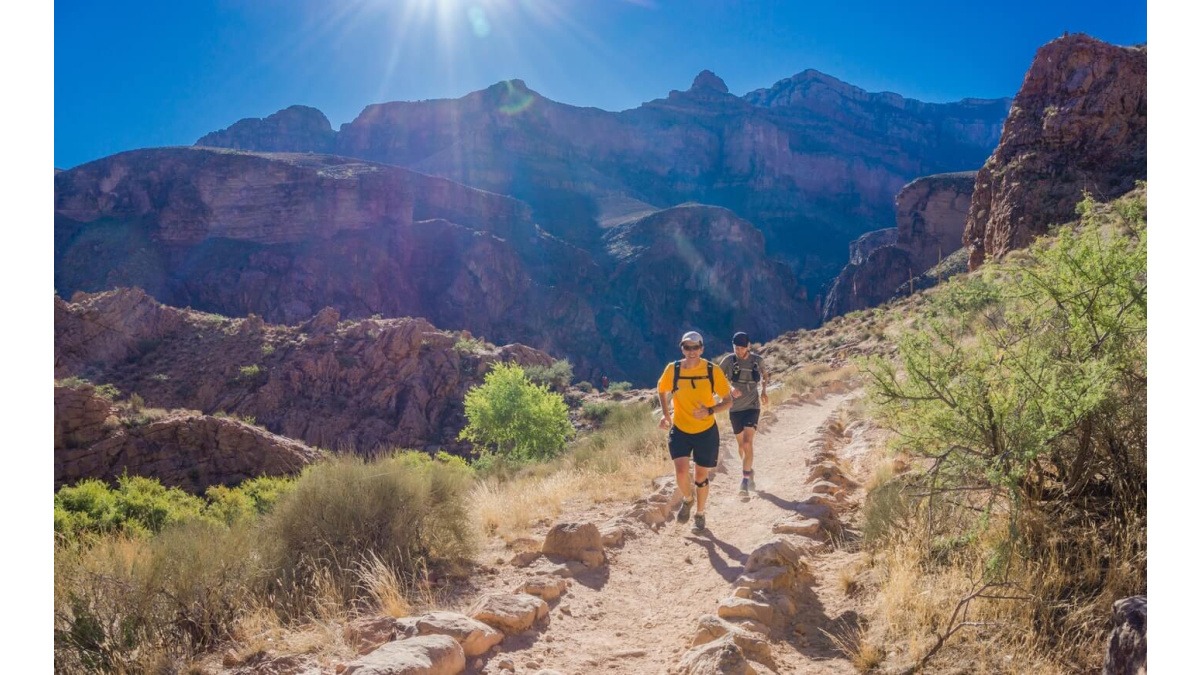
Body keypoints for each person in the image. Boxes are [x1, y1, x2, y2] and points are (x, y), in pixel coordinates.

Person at [657, 331, 733, 533]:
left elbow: (728, 400)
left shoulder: (712, 370)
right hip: (680, 429)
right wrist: (666, 415)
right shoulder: (673, 369)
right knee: (681, 471)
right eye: (687, 347)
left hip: (706, 431)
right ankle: (688, 499)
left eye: (695, 347)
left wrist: (709, 410)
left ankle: (700, 513)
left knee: (700, 477)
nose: (691, 351)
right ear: (682, 348)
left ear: (702, 349)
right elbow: (661, 389)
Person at [718, 331, 770, 495]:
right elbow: (717, 378)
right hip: (734, 408)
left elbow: (765, 375)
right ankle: (749, 470)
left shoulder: (757, 360)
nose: (738, 351)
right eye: (735, 348)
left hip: (752, 406)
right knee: (741, 446)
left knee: (747, 443)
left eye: (741, 348)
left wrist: (764, 392)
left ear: (748, 346)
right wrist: (730, 388)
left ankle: (745, 481)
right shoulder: (728, 361)